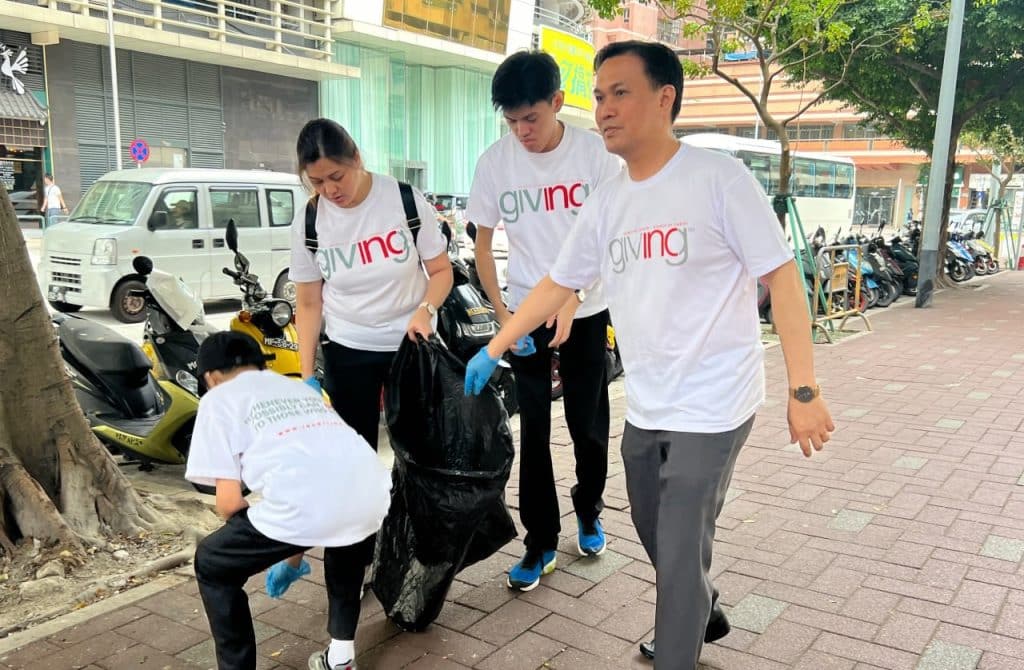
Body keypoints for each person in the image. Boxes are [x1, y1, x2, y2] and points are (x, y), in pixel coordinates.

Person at [464, 41, 834, 669]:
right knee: (649, 519)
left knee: (682, 533)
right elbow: (559, 282)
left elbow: (783, 277)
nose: (604, 109)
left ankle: (680, 637)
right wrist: (495, 343)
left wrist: (805, 390)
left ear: (665, 98)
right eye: (599, 95)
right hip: (650, 398)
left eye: (620, 93)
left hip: (716, 402)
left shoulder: (717, 179)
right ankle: (700, 604)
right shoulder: (611, 198)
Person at [271, 118, 453, 598]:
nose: (331, 190)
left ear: (358, 160)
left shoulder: (404, 200)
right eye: (317, 182)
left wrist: (425, 309)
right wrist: (308, 375)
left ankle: (416, 556)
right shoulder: (309, 221)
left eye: (338, 177)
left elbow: (440, 271)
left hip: (410, 345)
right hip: (349, 351)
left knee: (418, 459)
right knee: (350, 463)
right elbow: (309, 303)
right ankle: (354, 560)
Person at [466, 50, 622, 592]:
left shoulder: (597, 156)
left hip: (587, 306)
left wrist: (576, 295)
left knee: (588, 427)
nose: (522, 131)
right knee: (533, 432)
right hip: (525, 313)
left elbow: (612, 238)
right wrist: (503, 315)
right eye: (511, 121)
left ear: (557, 102)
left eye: (530, 118)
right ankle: (540, 542)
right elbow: (483, 246)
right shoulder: (495, 163)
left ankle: (589, 509)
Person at [186, 331, 391, 670]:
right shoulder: (296, 388)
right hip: (372, 493)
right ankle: (341, 657)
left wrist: (272, 531)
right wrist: (292, 559)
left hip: (324, 503)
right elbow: (319, 489)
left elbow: (228, 504)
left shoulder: (218, 399)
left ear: (210, 377)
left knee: (212, 563)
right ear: (259, 364)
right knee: (345, 529)